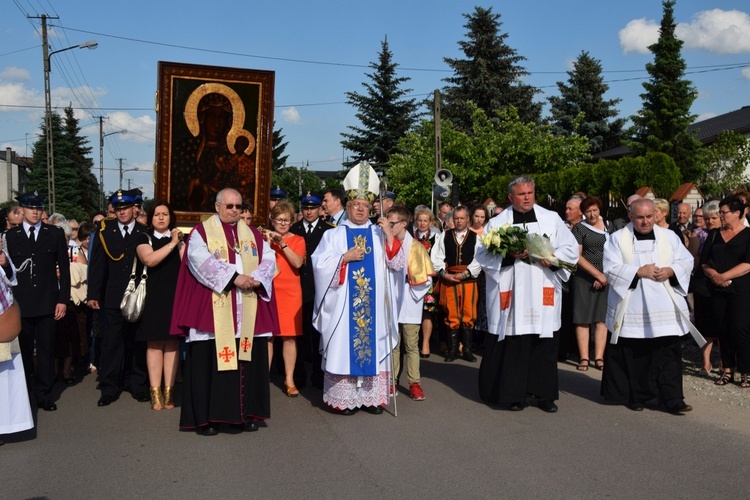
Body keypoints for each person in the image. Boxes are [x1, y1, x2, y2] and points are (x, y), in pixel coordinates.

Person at [171, 188, 278, 435]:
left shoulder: (252, 234)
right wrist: (234, 278)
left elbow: (269, 259)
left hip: (247, 306)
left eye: (238, 207)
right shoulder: (201, 232)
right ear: (217, 207)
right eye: (229, 206)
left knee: (247, 363)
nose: (234, 211)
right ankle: (207, 419)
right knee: (209, 365)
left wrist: (257, 278)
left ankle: (246, 414)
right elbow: (200, 261)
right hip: (214, 306)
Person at [476, 175, 578, 413]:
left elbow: (570, 248)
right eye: (522, 194)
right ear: (511, 197)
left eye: (530, 193)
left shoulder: (551, 219)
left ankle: (544, 395)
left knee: (544, 343)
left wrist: (552, 260)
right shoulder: (498, 223)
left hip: (543, 285)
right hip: (513, 290)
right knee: (515, 343)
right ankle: (514, 394)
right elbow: (482, 255)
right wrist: (510, 255)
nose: (527, 198)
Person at [311, 161, 399, 416]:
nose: (360, 209)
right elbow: (319, 265)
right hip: (343, 306)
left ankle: (371, 399)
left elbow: (397, 264)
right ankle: (345, 399)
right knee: (344, 347)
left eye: (364, 205)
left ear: (371, 208)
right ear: (347, 207)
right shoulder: (334, 235)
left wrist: (390, 237)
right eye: (355, 205)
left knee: (374, 344)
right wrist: (343, 259)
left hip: (375, 309)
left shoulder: (379, 234)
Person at [602, 198, 696, 413]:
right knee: (637, 354)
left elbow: (686, 260)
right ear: (631, 216)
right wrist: (637, 272)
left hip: (664, 305)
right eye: (640, 217)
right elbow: (610, 268)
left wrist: (671, 271)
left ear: (656, 215)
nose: (645, 222)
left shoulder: (669, 237)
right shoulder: (617, 239)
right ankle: (638, 396)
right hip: (634, 305)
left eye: (649, 217)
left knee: (668, 353)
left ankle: (673, 398)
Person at [1, 192, 69, 412]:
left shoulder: (55, 233)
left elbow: (64, 270)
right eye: (30, 208)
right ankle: (27, 395)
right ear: (21, 210)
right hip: (21, 303)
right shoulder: (11, 236)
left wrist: (62, 300)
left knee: (47, 351)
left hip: (48, 301)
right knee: (24, 351)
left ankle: (44, 395)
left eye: (38, 208)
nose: (35, 212)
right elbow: (8, 273)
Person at [87, 189, 149, 407]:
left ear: (135, 209)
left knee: (136, 342)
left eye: (126, 208)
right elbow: (97, 265)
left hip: (137, 298)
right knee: (111, 343)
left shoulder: (144, 231)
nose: (122, 212)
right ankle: (109, 387)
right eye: (118, 208)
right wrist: (93, 294)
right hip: (112, 296)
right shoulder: (105, 231)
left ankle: (137, 384)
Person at [134, 202, 184, 410]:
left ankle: (169, 391)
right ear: (150, 218)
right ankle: (155, 393)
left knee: (172, 344)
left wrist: (180, 243)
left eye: (165, 214)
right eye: (157, 214)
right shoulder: (143, 238)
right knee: (154, 345)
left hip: (175, 297)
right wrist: (172, 244)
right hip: (152, 297)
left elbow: (188, 264)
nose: (161, 218)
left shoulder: (180, 240)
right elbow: (150, 260)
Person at [700, 195, 750, 388]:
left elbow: (748, 264)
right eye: (719, 212)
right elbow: (704, 262)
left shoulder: (748, 234)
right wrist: (715, 276)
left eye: (724, 212)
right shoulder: (714, 235)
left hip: (741, 290)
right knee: (723, 329)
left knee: (741, 329)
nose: (720, 216)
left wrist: (725, 275)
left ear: (737, 213)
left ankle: (746, 370)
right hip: (717, 290)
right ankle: (727, 369)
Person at [387, 206, 434, 401]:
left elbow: (427, 278)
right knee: (393, 344)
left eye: (392, 224)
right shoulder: (385, 243)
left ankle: (415, 383)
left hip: (409, 300)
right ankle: (392, 381)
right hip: (390, 300)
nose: (389, 227)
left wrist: (414, 292)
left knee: (411, 345)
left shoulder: (416, 246)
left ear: (404, 224)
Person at [289, 192, 332, 389]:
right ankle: (298, 375)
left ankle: (318, 374)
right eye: (305, 208)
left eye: (312, 208)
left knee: (317, 335)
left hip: (319, 290)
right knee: (298, 335)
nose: (308, 211)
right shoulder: (294, 229)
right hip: (296, 289)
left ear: (319, 209)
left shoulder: (328, 231)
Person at [264, 201, 305, 397]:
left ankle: (289, 379)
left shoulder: (298, 239)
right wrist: (266, 242)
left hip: (290, 292)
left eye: (286, 220)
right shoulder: (263, 238)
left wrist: (282, 243)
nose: (282, 224)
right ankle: (263, 377)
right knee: (267, 337)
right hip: (268, 291)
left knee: (289, 337)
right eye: (279, 220)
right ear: (272, 221)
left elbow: (297, 262)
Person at [431, 206, 482, 363]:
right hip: (450, 278)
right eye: (456, 218)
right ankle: (452, 349)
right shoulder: (444, 236)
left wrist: (465, 274)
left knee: (469, 313)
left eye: (462, 218)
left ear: (468, 219)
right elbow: (436, 257)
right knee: (451, 313)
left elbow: (479, 259)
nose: (459, 221)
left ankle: (466, 349)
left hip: (469, 280)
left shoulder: (476, 238)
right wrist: (445, 274)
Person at [570, 196, 612, 371]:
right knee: (583, 319)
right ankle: (584, 357)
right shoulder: (579, 229)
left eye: (594, 210)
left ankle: (599, 356)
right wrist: (596, 275)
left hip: (607, 277)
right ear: (583, 212)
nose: (592, 214)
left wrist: (604, 277)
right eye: (588, 211)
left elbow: (617, 252)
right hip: (584, 278)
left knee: (601, 319)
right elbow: (577, 256)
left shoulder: (610, 226)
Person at [0, 264, 34, 444]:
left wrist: (4, 265)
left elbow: (12, 279)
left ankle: (6, 426)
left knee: (7, 379)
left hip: (4, 319)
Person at [688, 201, 719, 376]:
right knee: (705, 325)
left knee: (722, 325)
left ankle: (724, 363)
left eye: (713, 218)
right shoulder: (698, 235)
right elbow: (695, 258)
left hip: (723, 283)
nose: (709, 222)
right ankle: (706, 363)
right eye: (706, 218)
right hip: (704, 282)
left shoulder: (726, 235)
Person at [413, 208, 440, 358]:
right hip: (412, 278)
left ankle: (425, 343)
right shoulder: (411, 236)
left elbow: (437, 259)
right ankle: (412, 342)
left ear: (430, 222)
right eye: (420, 220)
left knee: (427, 311)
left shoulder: (436, 237)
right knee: (412, 311)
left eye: (425, 220)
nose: (422, 223)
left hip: (428, 278)